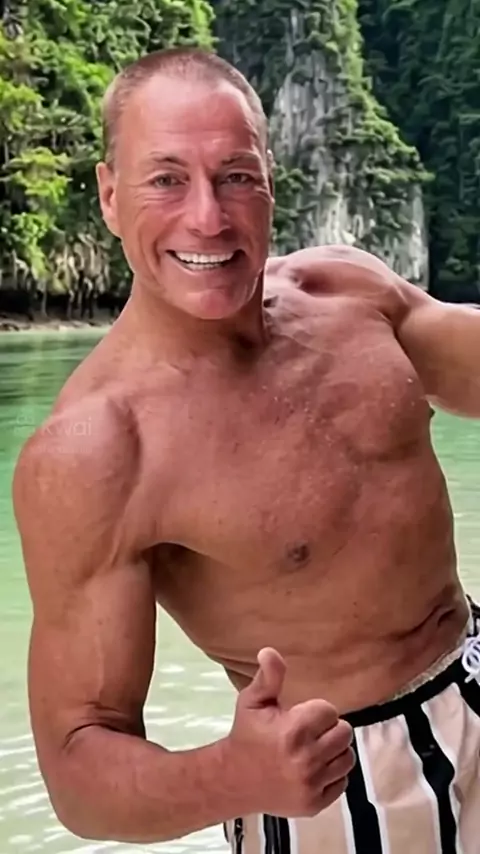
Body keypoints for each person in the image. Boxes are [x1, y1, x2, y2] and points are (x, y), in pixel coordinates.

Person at [12, 46, 480, 854]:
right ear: (110, 195)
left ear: (270, 182)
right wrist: (232, 775)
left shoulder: (348, 293)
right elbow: (77, 768)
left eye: (235, 176)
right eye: (167, 180)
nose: (208, 217)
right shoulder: (97, 451)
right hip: (340, 783)